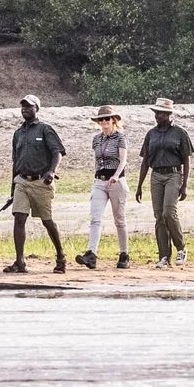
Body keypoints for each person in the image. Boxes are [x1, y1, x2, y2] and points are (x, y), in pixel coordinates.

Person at [5, 94, 67, 274]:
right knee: (19, 218)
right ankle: (20, 261)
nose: (25, 109)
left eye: (29, 106)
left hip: (41, 181)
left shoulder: (45, 129)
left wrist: (51, 171)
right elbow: (15, 162)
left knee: (47, 221)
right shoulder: (18, 133)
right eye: (23, 106)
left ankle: (61, 257)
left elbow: (58, 152)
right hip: (22, 181)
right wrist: (12, 188)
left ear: (37, 109)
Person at [134, 96, 194, 268]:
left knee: (169, 212)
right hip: (156, 176)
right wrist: (139, 186)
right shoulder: (151, 134)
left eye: (160, 113)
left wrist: (185, 184)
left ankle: (181, 248)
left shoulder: (180, 133)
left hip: (174, 175)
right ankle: (164, 256)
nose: (157, 116)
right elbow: (145, 161)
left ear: (168, 114)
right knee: (159, 216)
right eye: (156, 113)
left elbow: (186, 159)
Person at [74, 105, 131, 270]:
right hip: (100, 180)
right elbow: (97, 160)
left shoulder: (120, 138)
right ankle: (91, 253)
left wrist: (116, 176)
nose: (104, 122)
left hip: (116, 180)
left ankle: (124, 254)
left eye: (107, 118)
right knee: (95, 218)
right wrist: (96, 177)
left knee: (119, 220)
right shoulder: (96, 139)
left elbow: (123, 160)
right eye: (101, 119)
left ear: (114, 120)